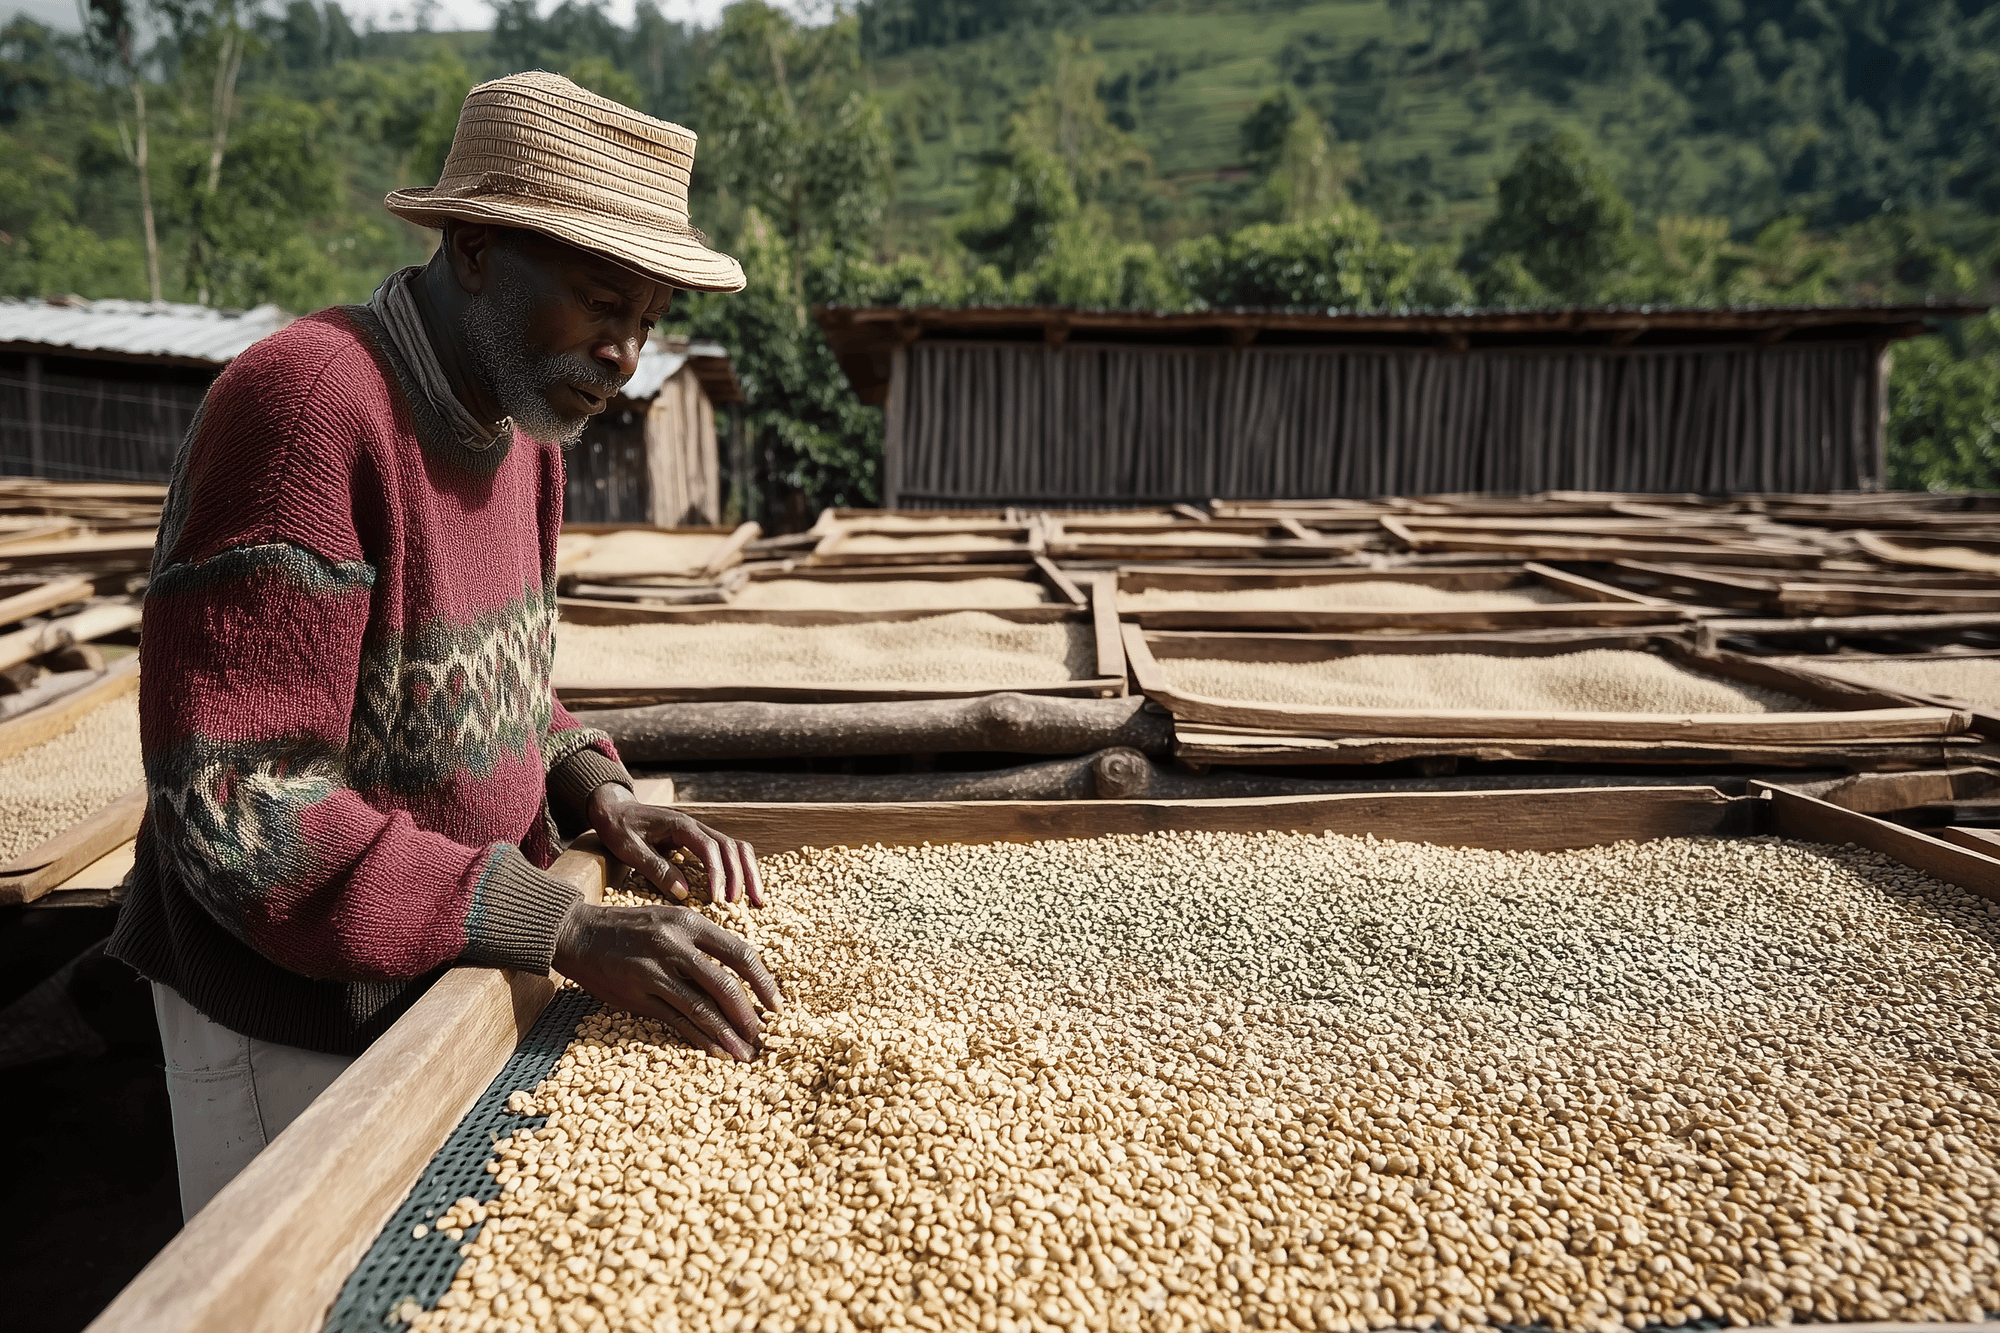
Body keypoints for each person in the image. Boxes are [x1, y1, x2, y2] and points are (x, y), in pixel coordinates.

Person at [105, 71, 782, 1221]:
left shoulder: (525, 429)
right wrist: (557, 922)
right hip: (291, 1008)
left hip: (449, 975)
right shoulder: (308, 413)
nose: (626, 350)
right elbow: (239, 808)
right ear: (472, 245)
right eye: (601, 297)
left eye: (650, 317)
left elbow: (490, 683)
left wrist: (591, 787)